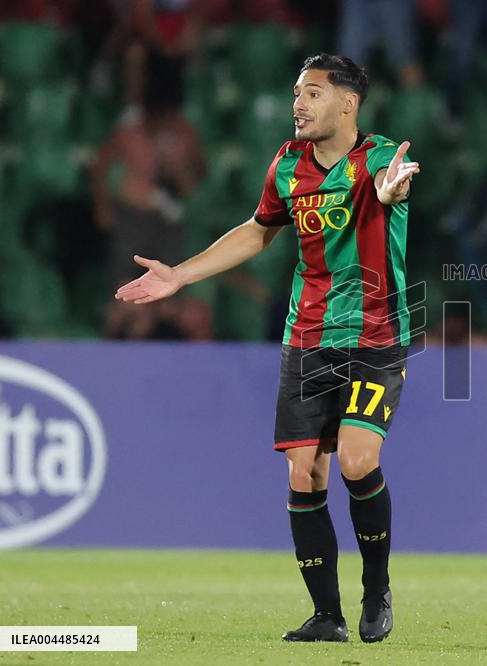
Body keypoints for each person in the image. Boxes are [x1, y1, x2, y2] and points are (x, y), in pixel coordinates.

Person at [114, 54, 420, 643]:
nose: (298, 104)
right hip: (305, 337)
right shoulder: (286, 165)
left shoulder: (381, 158)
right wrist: (180, 275)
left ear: (348, 103)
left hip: (374, 335)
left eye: (312, 93)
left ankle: (376, 588)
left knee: (357, 460)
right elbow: (258, 231)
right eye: (296, 93)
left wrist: (390, 191)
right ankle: (326, 616)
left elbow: (391, 188)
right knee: (304, 474)